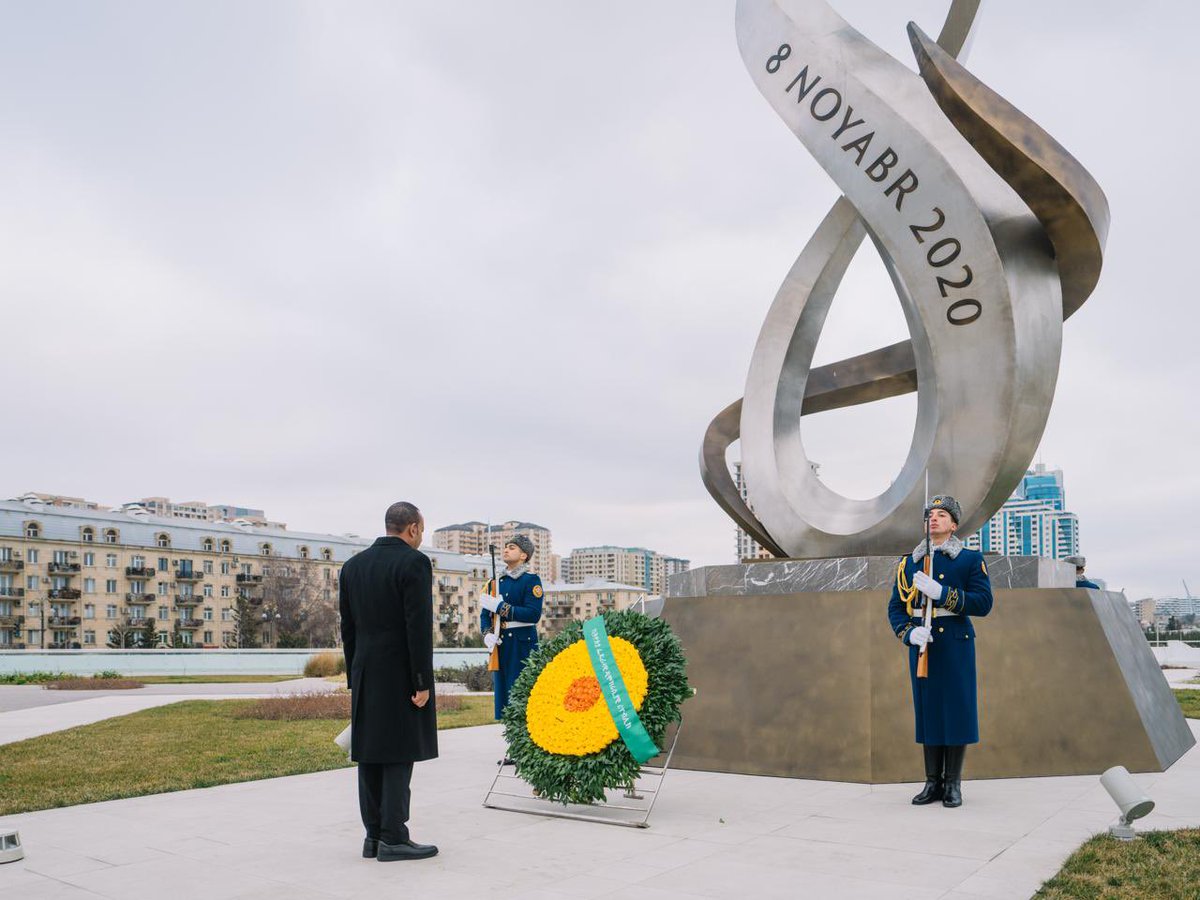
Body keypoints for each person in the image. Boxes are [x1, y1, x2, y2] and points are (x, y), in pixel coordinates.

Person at [339, 501, 438, 862]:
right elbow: (417, 627)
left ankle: (373, 836)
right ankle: (394, 837)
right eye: (422, 530)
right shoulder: (414, 562)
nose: (421, 537)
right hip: (400, 673)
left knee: (369, 753)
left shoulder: (352, 567)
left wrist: (355, 676)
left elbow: (347, 629)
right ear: (412, 528)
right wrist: (421, 680)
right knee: (398, 752)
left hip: (366, 673)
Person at [887, 495, 993, 808]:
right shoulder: (910, 562)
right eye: (930, 515)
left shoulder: (970, 559)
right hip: (924, 643)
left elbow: (983, 603)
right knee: (929, 710)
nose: (934, 519)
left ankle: (953, 785)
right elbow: (896, 607)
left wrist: (942, 594)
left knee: (956, 712)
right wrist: (909, 633)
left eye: (942, 515)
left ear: (954, 524)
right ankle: (932, 782)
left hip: (955, 644)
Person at [481, 534, 544, 723]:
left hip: (522, 644)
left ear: (524, 555)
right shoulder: (496, 582)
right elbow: (485, 615)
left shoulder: (531, 580)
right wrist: (486, 634)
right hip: (501, 645)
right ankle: (511, 745)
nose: (506, 550)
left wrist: (501, 608)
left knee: (522, 696)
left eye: (512, 547)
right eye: (505, 546)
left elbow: (533, 614)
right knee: (504, 701)